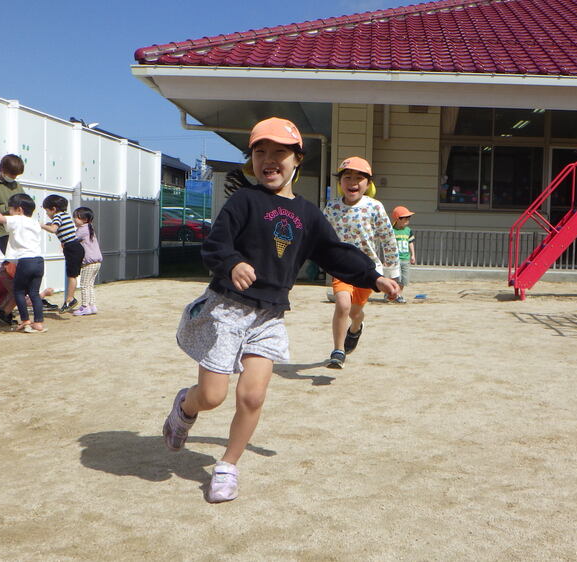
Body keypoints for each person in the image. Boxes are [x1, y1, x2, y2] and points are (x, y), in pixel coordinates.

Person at [162, 117, 400, 503]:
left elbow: (334, 253)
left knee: (252, 397)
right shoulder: (244, 201)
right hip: (226, 309)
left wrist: (373, 277)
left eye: (279, 152)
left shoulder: (308, 214)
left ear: (296, 160)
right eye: (260, 152)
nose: (269, 159)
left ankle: (227, 466)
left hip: (269, 315)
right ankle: (184, 409)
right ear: (252, 160)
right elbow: (216, 243)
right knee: (212, 396)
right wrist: (232, 263)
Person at [322, 156, 400, 369]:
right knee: (342, 305)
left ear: (368, 184)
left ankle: (356, 326)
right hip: (341, 268)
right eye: (347, 177)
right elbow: (320, 235)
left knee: (355, 312)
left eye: (359, 178)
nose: (352, 182)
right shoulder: (331, 207)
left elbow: (387, 238)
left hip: (368, 271)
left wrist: (392, 274)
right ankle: (338, 351)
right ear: (340, 182)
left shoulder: (374, 207)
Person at [0, 193, 46, 333]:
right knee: (34, 293)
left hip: (25, 261)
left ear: (19, 210)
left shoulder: (17, 219)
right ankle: (39, 323)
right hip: (39, 261)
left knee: (19, 291)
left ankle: (25, 321)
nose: (9, 212)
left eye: (10, 209)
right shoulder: (34, 221)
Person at [0, 260, 54, 326]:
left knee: (16, 292)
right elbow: (26, 302)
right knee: (18, 292)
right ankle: (3, 315)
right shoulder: (8, 279)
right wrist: (44, 293)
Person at [41, 195, 84, 312]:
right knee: (72, 275)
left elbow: (53, 229)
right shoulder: (65, 215)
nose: (46, 214)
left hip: (71, 248)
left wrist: (40, 225)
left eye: (47, 211)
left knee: (71, 275)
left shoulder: (57, 216)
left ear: (53, 209)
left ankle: (70, 299)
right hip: (75, 247)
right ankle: (69, 300)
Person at [71, 206, 102, 316]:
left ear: (84, 219)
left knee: (84, 284)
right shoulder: (89, 227)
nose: (74, 219)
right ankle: (92, 306)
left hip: (89, 263)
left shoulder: (82, 229)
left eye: (76, 217)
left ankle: (85, 307)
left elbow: (72, 239)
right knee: (90, 285)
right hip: (97, 262)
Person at [391, 205, 416, 304]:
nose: (408, 221)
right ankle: (394, 294)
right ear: (398, 219)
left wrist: (413, 255)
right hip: (395, 259)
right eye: (406, 219)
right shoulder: (392, 231)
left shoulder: (408, 231)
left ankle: (399, 294)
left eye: (408, 219)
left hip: (406, 258)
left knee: (404, 280)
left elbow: (411, 243)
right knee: (396, 278)